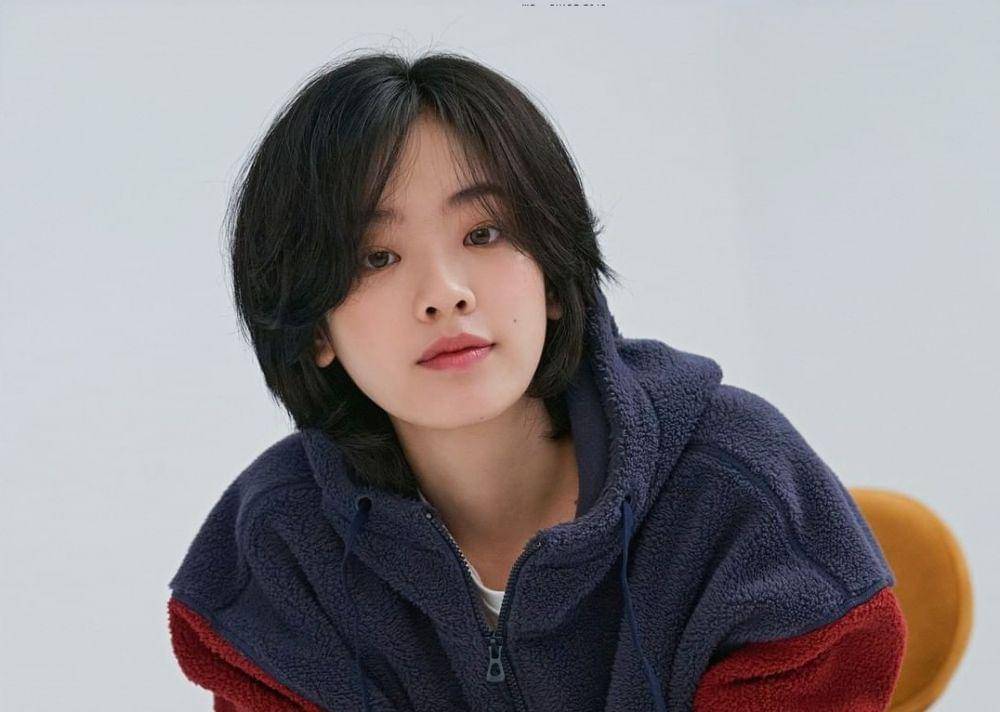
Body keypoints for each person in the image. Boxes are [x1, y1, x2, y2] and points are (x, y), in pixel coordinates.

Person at [167, 50, 907, 711]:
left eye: (483, 233)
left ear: (553, 273)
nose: (445, 293)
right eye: (376, 258)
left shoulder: (737, 488)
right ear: (315, 328)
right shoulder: (280, 552)